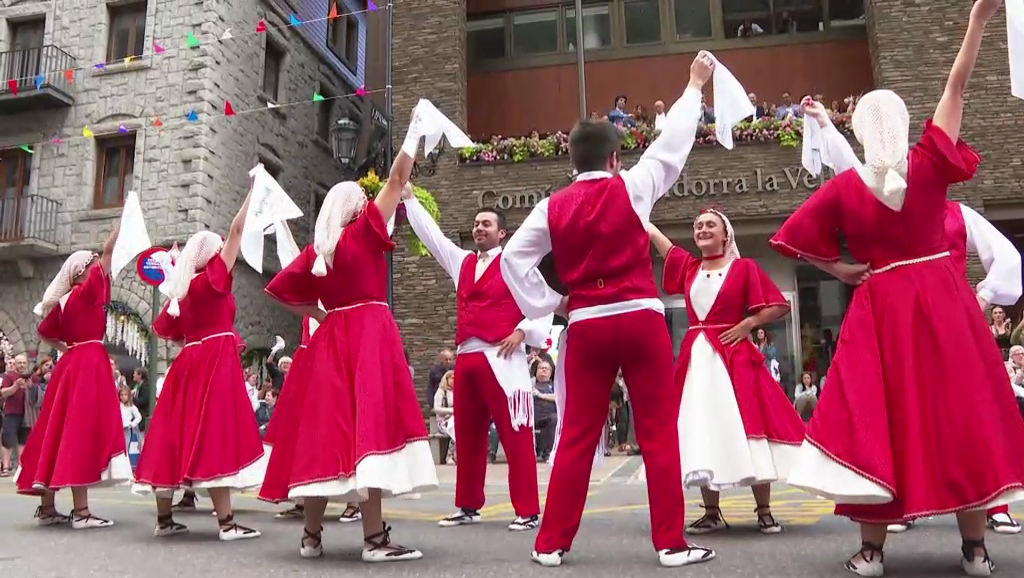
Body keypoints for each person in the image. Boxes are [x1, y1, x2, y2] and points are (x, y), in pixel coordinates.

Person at [769, 2, 1024, 575]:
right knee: (921, 414)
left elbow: (795, 240)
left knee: (919, 415)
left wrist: (837, 270)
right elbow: (955, 90)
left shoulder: (896, 173)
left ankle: (909, 547)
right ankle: (958, 547)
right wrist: (975, 24)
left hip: (899, 303)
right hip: (925, 301)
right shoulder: (912, 166)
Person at [499, 52, 723, 568]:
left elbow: (512, 260)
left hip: (587, 322)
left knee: (578, 433)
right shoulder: (634, 185)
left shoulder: (551, 206)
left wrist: (553, 302)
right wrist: (693, 86)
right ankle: (671, 544)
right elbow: (673, 146)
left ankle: (550, 544)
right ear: (614, 160)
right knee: (657, 432)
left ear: (571, 163)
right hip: (640, 315)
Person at [803, 93, 1024, 538]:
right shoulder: (873, 188)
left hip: (947, 321)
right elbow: (854, 173)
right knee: (901, 412)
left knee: (962, 413)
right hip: (899, 321)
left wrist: (978, 298)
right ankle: (900, 503)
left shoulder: (958, 213)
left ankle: (986, 507)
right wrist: (826, 122)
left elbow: (1009, 262)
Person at [257, 112, 437, 562]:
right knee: (368, 430)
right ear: (356, 206)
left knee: (326, 434)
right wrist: (413, 133)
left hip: (330, 339)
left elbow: (279, 289)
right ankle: (375, 539)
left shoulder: (320, 249)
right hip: (368, 335)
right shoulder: (363, 231)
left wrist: (319, 311)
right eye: (363, 197)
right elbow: (397, 178)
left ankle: (311, 536)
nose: (369, 199)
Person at [403, 187, 553, 532]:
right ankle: (468, 505)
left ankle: (528, 510)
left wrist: (522, 331)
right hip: (467, 357)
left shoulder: (515, 263)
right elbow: (434, 238)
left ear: (502, 233)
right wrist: (409, 198)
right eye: (475, 224)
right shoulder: (463, 262)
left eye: (486, 223)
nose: (479, 228)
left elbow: (543, 301)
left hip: (502, 357)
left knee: (516, 434)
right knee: (468, 437)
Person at [649, 213, 803, 536]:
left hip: (734, 356)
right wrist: (640, 215)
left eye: (710, 225)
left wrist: (747, 324)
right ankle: (711, 511)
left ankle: (764, 510)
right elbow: (662, 244)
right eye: (698, 226)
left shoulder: (744, 268)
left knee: (750, 426)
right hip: (698, 360)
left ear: (725, 236)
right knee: (703, 429)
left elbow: (777, 305)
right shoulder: (690, 268)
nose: (702, 230)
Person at [132, 181, 265, 541]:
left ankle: (163, 519)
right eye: (220, 248)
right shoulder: (211, 279)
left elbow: (172, 334)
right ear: (210, 255)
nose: (226, 249)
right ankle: (226, 523)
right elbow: (238, 230)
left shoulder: (182, 289)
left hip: (188, 361)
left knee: (172, 433)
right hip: (215, 359)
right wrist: (252, 192)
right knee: (214, 432)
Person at [16, 224, 132, 528]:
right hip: (86, 364)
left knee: (56, 430)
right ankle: (81, 513)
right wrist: (123, 221)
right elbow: (108, 254)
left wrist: (65, 348)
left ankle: (48, 507)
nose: (98, 269)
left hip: (72, 364)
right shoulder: (83, 292)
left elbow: (44, 331)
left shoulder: (65, 301)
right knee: (78, 431)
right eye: (92, 266)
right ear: (81, 272)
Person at [1, 353, 31, 477]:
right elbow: (3, 393)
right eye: (19, 363)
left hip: (26, 414)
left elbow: (38, 393)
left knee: (23, 441)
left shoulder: (31, 377)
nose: (22, 365)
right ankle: (6, 467)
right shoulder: (9, 377)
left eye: (24, 362)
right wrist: (16, 385)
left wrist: (30, 386)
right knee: (7, 440)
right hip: (11, 412)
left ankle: (21, 467)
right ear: (15, 364)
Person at [119, 386, 142, 454]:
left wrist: (132, 424)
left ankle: (126, 461)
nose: (123, 397)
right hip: (118, 430)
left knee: (125, 448)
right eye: (121, 395)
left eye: (125, 395)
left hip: (126, 429)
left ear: (129, 395)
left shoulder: (132, 407)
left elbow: (139, 417)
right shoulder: (118, 405)